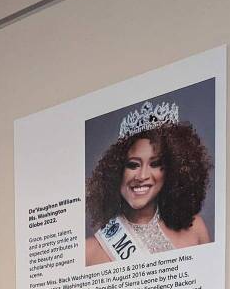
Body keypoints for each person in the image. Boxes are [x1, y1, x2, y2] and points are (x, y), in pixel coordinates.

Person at [86, 99, 212, 265]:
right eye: (133, 165)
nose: (142, 175)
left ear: (172, 170)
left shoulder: (195, 229)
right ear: (115, 172)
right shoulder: (90, 251)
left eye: (155, 164)